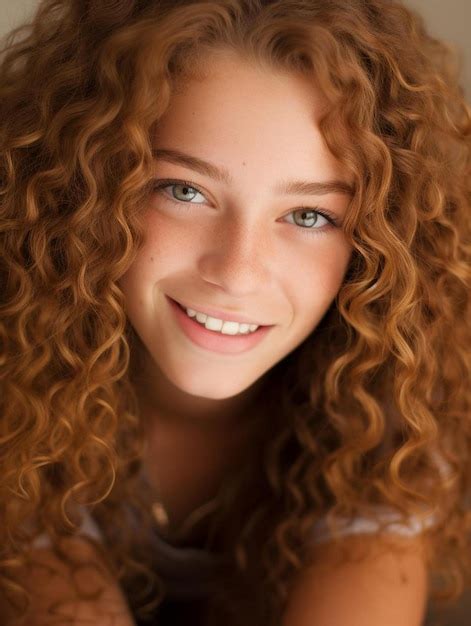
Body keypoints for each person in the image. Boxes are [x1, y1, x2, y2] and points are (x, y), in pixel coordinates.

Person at [0, 0, 470, 624]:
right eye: (184, 190)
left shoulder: (402, 404)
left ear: (380, 243)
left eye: (309, 216)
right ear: (82, 193)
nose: (237, 271)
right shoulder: (17, 374)